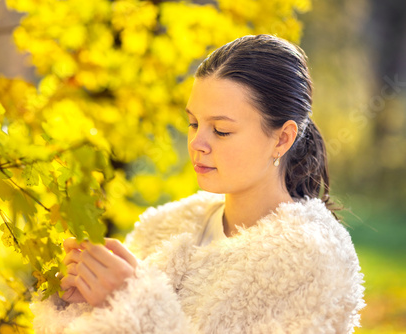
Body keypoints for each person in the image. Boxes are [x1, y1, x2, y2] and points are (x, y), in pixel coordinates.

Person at [30, 34, 365, 333]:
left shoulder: (314, 259)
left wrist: (134, 299)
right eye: (193, 123)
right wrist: (78, 305)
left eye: (221, 130)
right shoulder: (164, 228)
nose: (197, 143)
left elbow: (142, 313)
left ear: (282, 139)